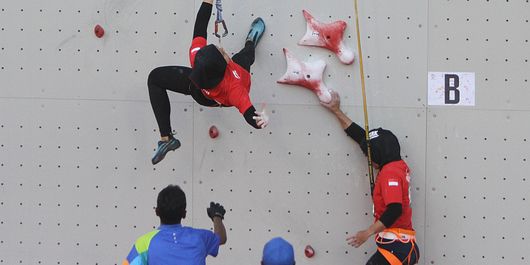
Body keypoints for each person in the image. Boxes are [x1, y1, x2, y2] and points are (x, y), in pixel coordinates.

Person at [148, 0, 269, 165]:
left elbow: (200, 25)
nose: (222, 49)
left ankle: (166, 137)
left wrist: (207, 1)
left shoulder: (197, 57)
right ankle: (250, 41)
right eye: (222, 53)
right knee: (246, 56)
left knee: (155, 78)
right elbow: (250, 116)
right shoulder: (235, 89)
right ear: (225, 64)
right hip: (221, 95)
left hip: (199, 90)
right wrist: (261, 120)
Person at [320, 91, 420, 265]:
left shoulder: (390, 173)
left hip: (398, 247)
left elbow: (395, 209)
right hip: (397, 247)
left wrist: (366, 233)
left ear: (379, 154)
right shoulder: (395, 164)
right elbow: (361, 137)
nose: (368, 158)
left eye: (369, 155)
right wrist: (337, 111)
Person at [122, 185, 227, 265]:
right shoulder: (200, 238)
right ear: (184, 214)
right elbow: (221, 238)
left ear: (157, 212)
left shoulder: (144, 243)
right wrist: (217, 216)